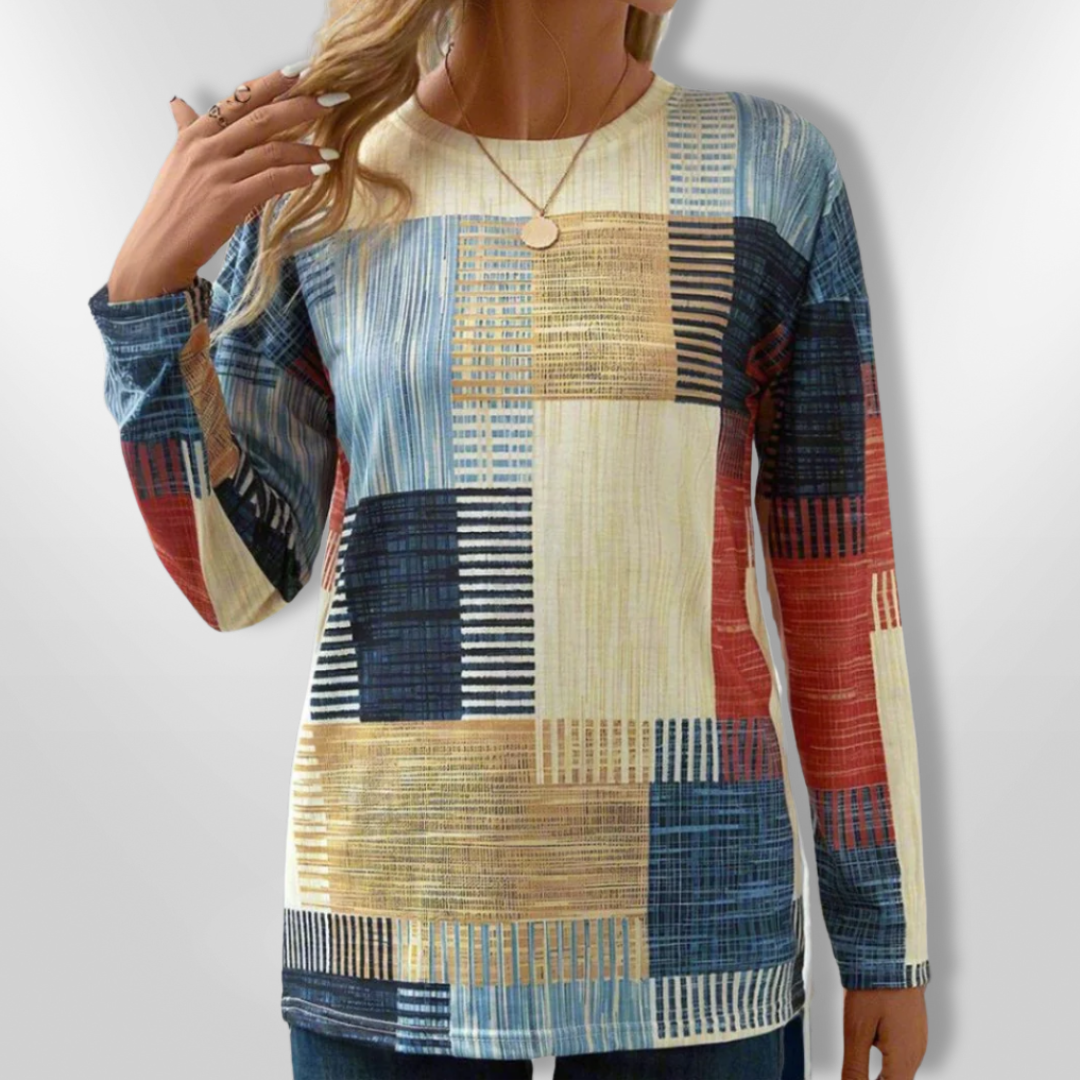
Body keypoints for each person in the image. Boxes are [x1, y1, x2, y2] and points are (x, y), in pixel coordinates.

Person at [87, 1, 931, 1077]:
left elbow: (840, 581)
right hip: (394, 925)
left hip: (692, 933)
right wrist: (149, 305)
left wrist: (883, 934)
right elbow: (237, 578)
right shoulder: (323, 181)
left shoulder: (770, 169)